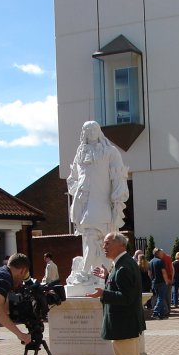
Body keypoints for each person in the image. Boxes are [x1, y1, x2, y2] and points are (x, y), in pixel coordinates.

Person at [86, 232, 147, 355]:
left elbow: (126, 298)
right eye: (104, 243)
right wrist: (107, 277)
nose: (104, 247)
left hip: (124, 326)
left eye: (108, 243)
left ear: (121, 245)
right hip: (127, 325)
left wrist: (103, 294)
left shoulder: (123, 267)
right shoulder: (122, 264)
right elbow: (122, 288)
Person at [66, 121, 129, 285]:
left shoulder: (110, 151)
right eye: (87, 129)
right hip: (85, 206)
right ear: (83, 133)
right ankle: (92, 275)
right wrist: (78, 190)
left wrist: (118, 197)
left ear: (99, 131)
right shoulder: (80, 153)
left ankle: (92, 274)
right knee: (90, 239)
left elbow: (119, 176)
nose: (91, 132)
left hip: (102, 205)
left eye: (94, 129)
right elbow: (72, 178)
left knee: (99, 241)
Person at [149, 247, 168, 320]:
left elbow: (149, 273)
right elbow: (164, 272)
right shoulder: (160, 261)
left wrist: (152, 280)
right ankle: (155, 313)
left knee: (159, 298)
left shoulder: (150, 262)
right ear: (158, 253)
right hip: (161, 282)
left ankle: (161, 314)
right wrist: (166, 281)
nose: (163, 254)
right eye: (161, 253)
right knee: (161, 298)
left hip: (154, 282)